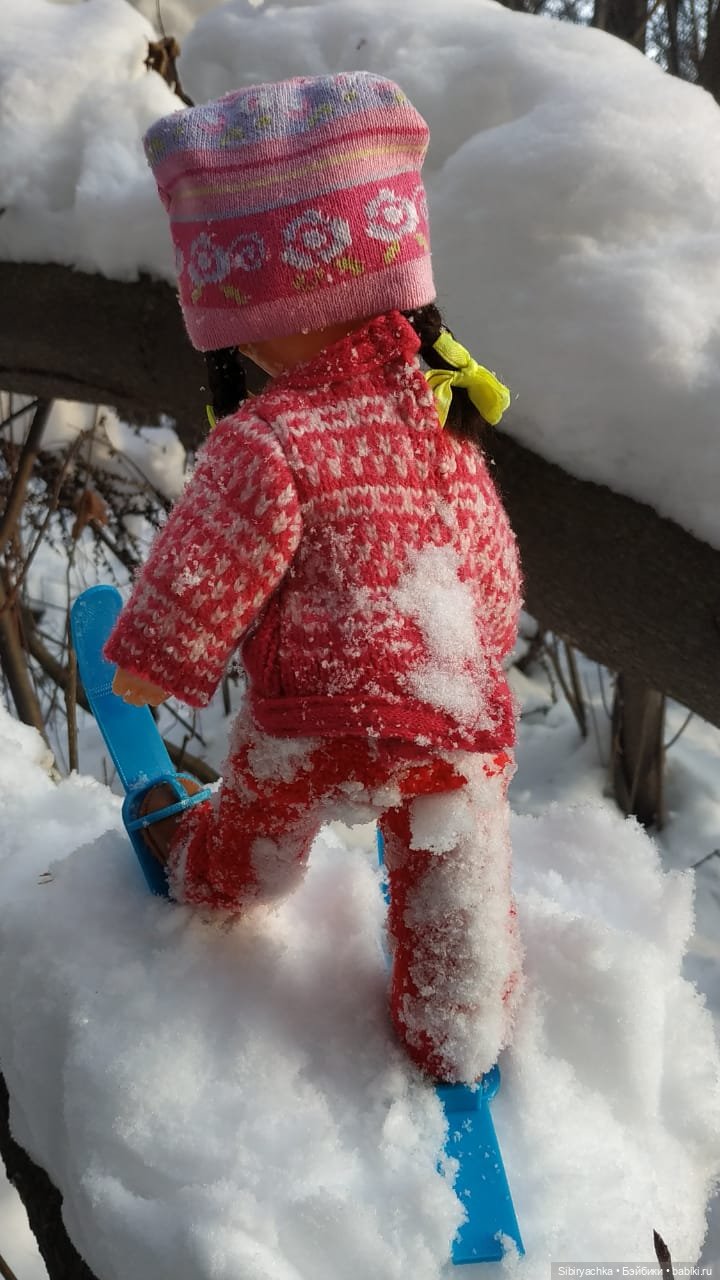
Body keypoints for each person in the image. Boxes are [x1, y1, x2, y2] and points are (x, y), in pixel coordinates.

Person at [105, 71, 523, 1085]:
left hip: (311, 720)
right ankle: (458, 1016)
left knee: (251, 826)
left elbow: (216, 553)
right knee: (453, 858)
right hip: (448, 713)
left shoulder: (273, 433)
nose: (242, 347)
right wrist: (475, 659)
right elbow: (485, 561)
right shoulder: (445, 418)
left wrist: (156, 657)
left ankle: (207, 877)